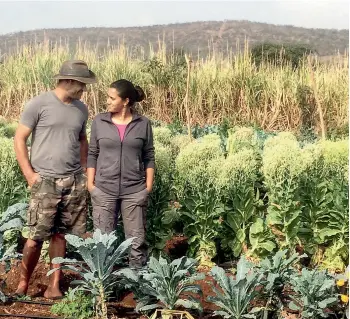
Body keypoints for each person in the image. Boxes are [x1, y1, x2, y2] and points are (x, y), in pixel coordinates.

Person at [13, 60, 96, 299]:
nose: (84, 89)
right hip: (45, 181)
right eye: (81, 84)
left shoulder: (81, 108)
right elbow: (19, 139)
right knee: (35, 237)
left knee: (61, 235)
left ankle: (54, 286)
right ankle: (23, 284)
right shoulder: (38, 103)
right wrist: (29, 174)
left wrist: (83, 168)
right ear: (68, 81)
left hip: (73, 181)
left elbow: (82, 140)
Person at [87, 79, 155, 269]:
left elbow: (149, 155)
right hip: (103, 189)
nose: (107, 101)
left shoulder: (143, 123)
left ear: (125, 101)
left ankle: (137, 287)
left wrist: (147, 186)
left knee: (136, 242)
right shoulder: (100, 121)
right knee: (103, 242)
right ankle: (105, 287)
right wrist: (91, 184)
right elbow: (93, 153)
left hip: (134, 190)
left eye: (111, 98)